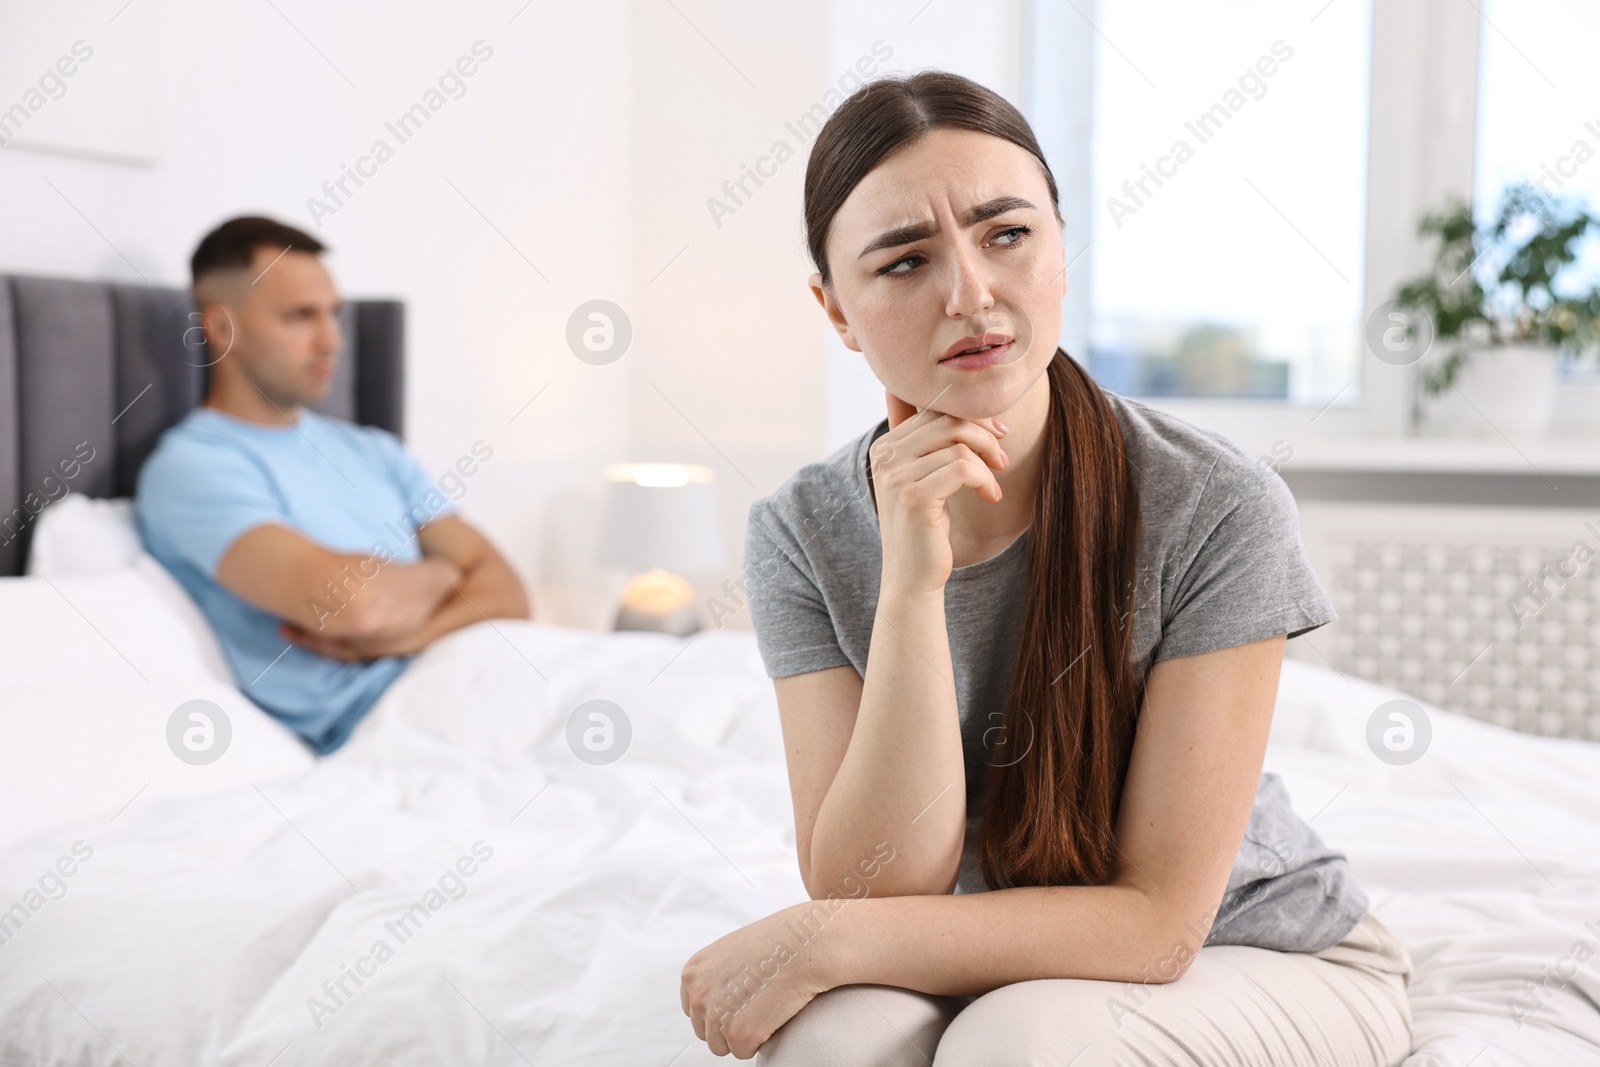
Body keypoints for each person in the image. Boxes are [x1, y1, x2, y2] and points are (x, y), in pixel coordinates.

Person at [678, 72, 1414, 1065]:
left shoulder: (1214, 501)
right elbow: (876, 882)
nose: (969, 292)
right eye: (903, 261)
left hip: (1254, 946)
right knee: (833, 1038)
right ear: (836, 310)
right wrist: (908, 584)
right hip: (970, 944)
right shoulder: (799, 528)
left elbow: (1156, 923)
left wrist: (827, 936)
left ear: (1062, 249)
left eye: (1006, 234)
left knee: (1015, 1043)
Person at [137, 216, 530, 755]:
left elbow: (509, 593)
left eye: (333, 315)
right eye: (301, 317)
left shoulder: (375, 450)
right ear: (223, 329)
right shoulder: (194, 467)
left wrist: (406, 634)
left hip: (493, 669)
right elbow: (352, 607)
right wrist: (445, 573)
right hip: (409, 720)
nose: (331, 341)